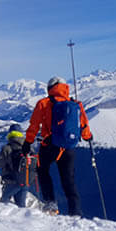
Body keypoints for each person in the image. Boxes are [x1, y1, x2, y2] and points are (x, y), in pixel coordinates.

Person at [22, 76, 92, 216]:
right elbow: (84, 125)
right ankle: (75, 211)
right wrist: (88, 137)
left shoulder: (44, 103)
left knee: (42, 171)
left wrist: (28, 142)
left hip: (49, 146)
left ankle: (51, 204)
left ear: (50, 88)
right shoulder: (75, 104)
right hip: (68, 148)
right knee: (68, 179)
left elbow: (34, 125)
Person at [0, 124, 28, 208]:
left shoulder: (7, 148)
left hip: (12, 181)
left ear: (10, 134)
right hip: (26, 181)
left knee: (4, 202)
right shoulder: (28, 147)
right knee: (21, 207)